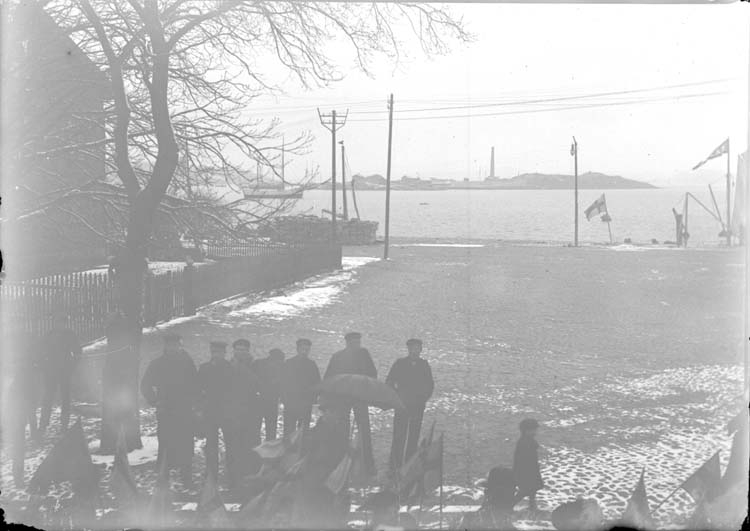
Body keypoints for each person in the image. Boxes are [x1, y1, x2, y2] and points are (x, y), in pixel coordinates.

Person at [140, 333, 198, 487]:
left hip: (184, 409)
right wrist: (155, 401)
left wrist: (195, 403)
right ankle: (163, 475)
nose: (174, 348)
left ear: (181, 346)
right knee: (165, 441)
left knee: (186, 442)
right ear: (165, 346)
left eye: (177, 345)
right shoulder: (157, 364)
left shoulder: (187, 363)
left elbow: (195, 384)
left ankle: (186, 476)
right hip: (166, 409)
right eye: (171, 345)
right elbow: (145, 385)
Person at [324, 332, 377, 474]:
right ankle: (341, 460)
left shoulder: (364, 354)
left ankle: (368, 462)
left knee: (364, 430)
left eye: (358, 342)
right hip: (343, 399)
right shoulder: (337, 357)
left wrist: (365, 388)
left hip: (360, 398)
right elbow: (329, 378)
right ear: (347, 343)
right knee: (343, 430)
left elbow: (372, 373)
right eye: (354, 343)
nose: (357, 345)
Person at [386, 338, 434, 470]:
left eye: (418, 348)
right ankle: (394, 466)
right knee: (398, 436)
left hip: (417, 406)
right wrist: (397, 396)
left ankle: (409, 465)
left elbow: (430, 386)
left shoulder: (424, 365)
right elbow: (389, 381)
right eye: (413, 348)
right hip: (402, 405)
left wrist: (422, 399)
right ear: (409, 349)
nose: (416, 351)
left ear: (421, 350)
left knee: (413, 436)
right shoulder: (400, 363)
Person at [197, 341, 235, 485]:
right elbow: (197, 389)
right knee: (211, 445)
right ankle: (211, 474)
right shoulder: (204, 368)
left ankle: (232, 475)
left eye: (219, 352)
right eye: (214, 352)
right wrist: (200, 407)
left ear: (224, 353)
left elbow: (235, 391)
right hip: (210, 413)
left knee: (231, 445)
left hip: (227, 413)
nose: (216, 355)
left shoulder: (231, 369)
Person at [39, 311, 82, 434]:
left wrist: (71, 368)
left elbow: (78, 353)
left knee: (65, 399)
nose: (58, 325)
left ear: (65, 323)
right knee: (48, 398)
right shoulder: (49, 335)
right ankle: (43, 425)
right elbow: (42, 352)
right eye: (56, 322)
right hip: (50, 372)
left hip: (65, 372)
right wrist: (44, 366)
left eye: (62, 322)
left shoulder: (70, 335)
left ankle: (64, 425)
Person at [227, 338, 263, 479]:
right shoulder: (228, 365)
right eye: (237, 349)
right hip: (234, 410)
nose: (240, 352)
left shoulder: (255, 365)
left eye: (243, 350)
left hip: (251, 410)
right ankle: (234, 474)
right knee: (234, 443)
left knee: (251, 441)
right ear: (233, 350)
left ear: (248, 351)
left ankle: (252, 472)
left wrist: (241, 368)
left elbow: (257, 383)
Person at [282, 338, 321, 438]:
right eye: (302, 349)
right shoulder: (288, 363)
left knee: (303, 430)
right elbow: (283, 382)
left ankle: (301, 451)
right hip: (291, 402)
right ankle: (287, 450)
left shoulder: (312, 365)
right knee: (288, 429)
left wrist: (313, 398)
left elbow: (317, 383)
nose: (304, 352)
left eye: (307, 350)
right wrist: (285, 399)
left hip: (305, 403)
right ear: (297, 349)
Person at [252, 348, 285, 441]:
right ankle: (269, 450)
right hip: (270, 400)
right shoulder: (280, 366)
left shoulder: (258, 363)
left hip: (259, 399)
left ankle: (256, 449)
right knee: (270, 428)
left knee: (256, 427)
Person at [513, 418, 544, 513]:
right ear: (526, 430)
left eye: (535, 429)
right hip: (526, 471)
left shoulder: (528, 440)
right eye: (532, 429)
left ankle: (532, 506)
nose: (535, 431)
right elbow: (522, 460)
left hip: (531, 469)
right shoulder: (524, 442)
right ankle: (508, 505)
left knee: (532, 489)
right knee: (525, 490)